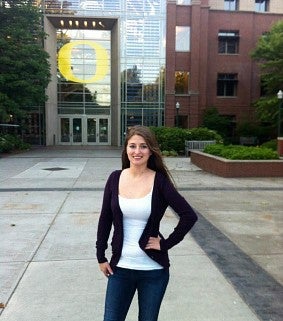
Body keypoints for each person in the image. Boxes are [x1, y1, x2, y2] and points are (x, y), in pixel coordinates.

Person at [96, 125, 198, 321]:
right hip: (120, 269)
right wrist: (101, 256)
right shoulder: (115, 178)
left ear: (151, 150)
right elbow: (105, 219)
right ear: (126, 149)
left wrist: (165, 243)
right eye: (132, 146)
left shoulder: (159, 181)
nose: (137, 151)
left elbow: (188, 215)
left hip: (153, 272)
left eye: (143, 146)